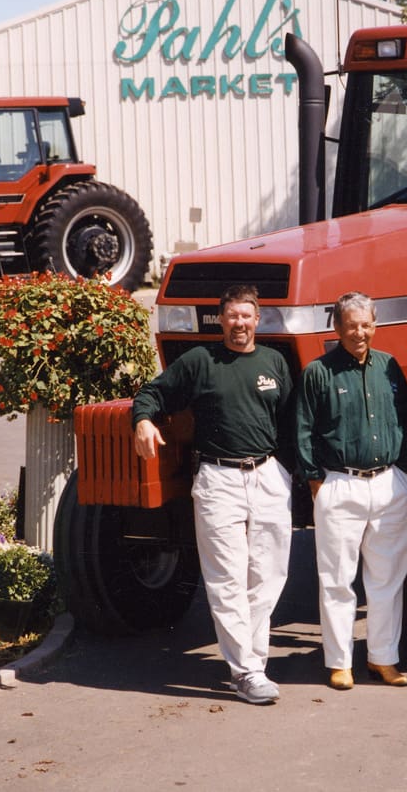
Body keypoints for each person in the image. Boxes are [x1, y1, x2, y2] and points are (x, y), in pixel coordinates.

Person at [132, 284, 293, 706]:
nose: (239, 323)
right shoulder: (202, 361)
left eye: (247, 315)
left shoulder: (274, 362)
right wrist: (143, 421)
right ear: (220, 320)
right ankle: (247, 671)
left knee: (270, 575)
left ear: (259, 319)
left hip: (267, 476)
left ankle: (252, 660)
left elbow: (290, 421)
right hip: (219, 480)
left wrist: (288, 473)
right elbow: (153, 392)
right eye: (232, 316)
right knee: (228, 579)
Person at [295, 292, 407, 691]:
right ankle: (339, 662)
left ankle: (383, 659)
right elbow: (303, 430)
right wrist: (317, 481)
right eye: (351, 326)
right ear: (337, 328)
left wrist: (406, 476)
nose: (359, 333)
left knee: (387, 579)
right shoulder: (319, 372)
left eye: (365, 325)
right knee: (337, 580)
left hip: (388, 485)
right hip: (339, 484)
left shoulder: (389, 367)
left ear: (375, 326)